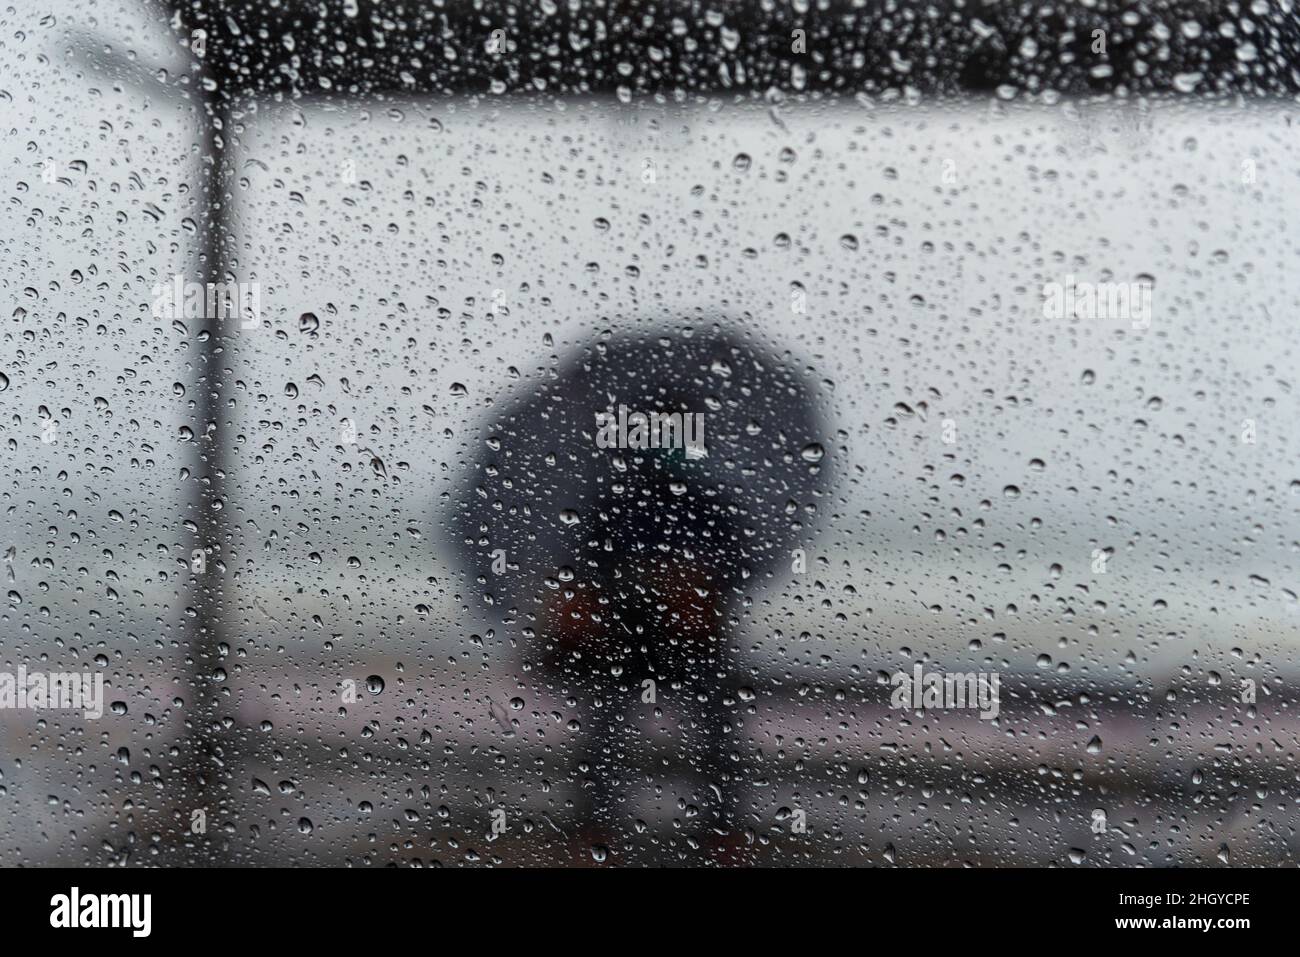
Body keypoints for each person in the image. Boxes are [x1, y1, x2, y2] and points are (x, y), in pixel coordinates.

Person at [451, 324, 830, 861]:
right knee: (614, 726)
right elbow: (587, 569)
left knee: (712, 725)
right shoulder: (619, 499)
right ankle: (607, 827)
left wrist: (697, 587)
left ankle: (709, 828)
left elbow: (735, 565)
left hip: (686, 639)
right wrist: (598, 599)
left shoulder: (693, 500)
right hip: (629, 637)